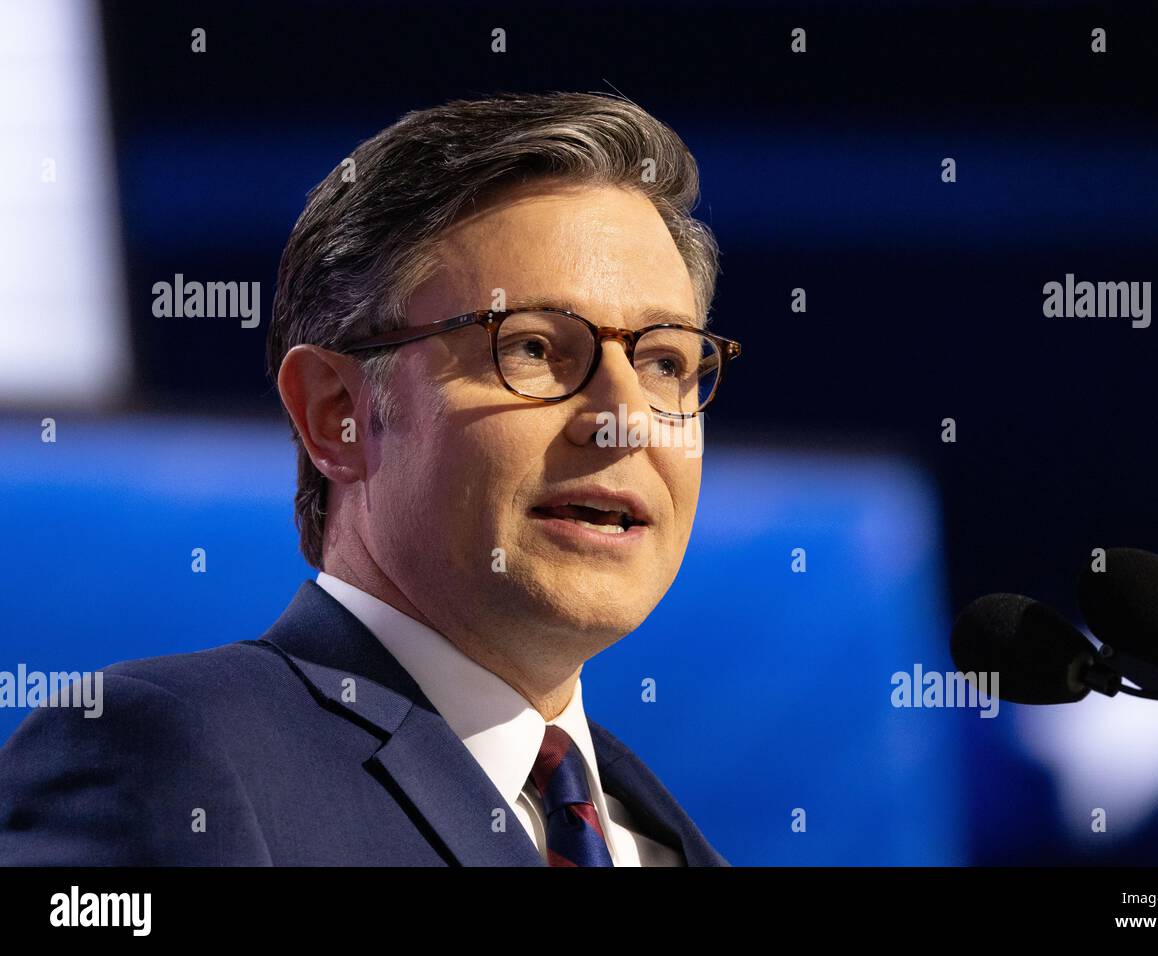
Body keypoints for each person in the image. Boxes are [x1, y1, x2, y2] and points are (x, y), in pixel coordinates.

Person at [0, 91, 740, 866]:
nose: (625, 417)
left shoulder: (657, 839)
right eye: (529, 348)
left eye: (665, 361)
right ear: (336, 414)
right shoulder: (162, 760)